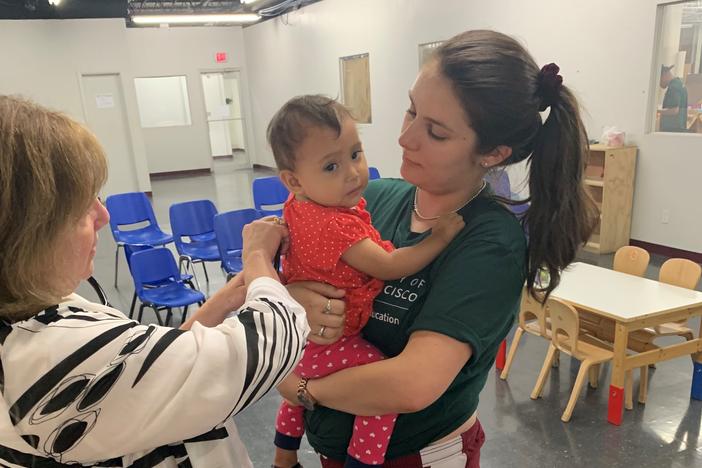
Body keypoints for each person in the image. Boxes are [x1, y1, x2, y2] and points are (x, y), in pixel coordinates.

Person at [276, 30, 599, 468]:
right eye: (411, 109)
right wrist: (291, 294)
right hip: (334, 446)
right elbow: (280, 272)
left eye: (436, 132)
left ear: (492, 152)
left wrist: (298, 388)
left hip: (413, 457)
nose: (405, 138)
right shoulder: (376, 198)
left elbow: (410, 385)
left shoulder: (489, 244)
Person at [0, 95, 310, 467]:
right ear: (28, 232)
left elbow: (148, 366)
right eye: (83, 205)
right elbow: (265, 348)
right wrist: (259, 258)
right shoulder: (48, 357)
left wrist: (228, 297)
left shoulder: (36, 317)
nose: (103, 215)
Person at [267, 95, 465, 468]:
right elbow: (389, 264)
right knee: (380, 390)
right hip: (330, 343)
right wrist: (438, 238)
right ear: (293, 180)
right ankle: (364, 460)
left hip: (299, 345)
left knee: (293, 395)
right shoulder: (335, 225)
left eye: (355, 154)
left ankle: (283, 456)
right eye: (331, 166)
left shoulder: (300, 207)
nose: (353, 173)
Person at [659, 64, 689, 132]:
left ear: (664, 75)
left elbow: (674, 110)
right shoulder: (679, 84)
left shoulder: (673, 87)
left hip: (672, 129)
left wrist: (656, 111)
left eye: (659, 80)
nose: (659, 84)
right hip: (679, 128)